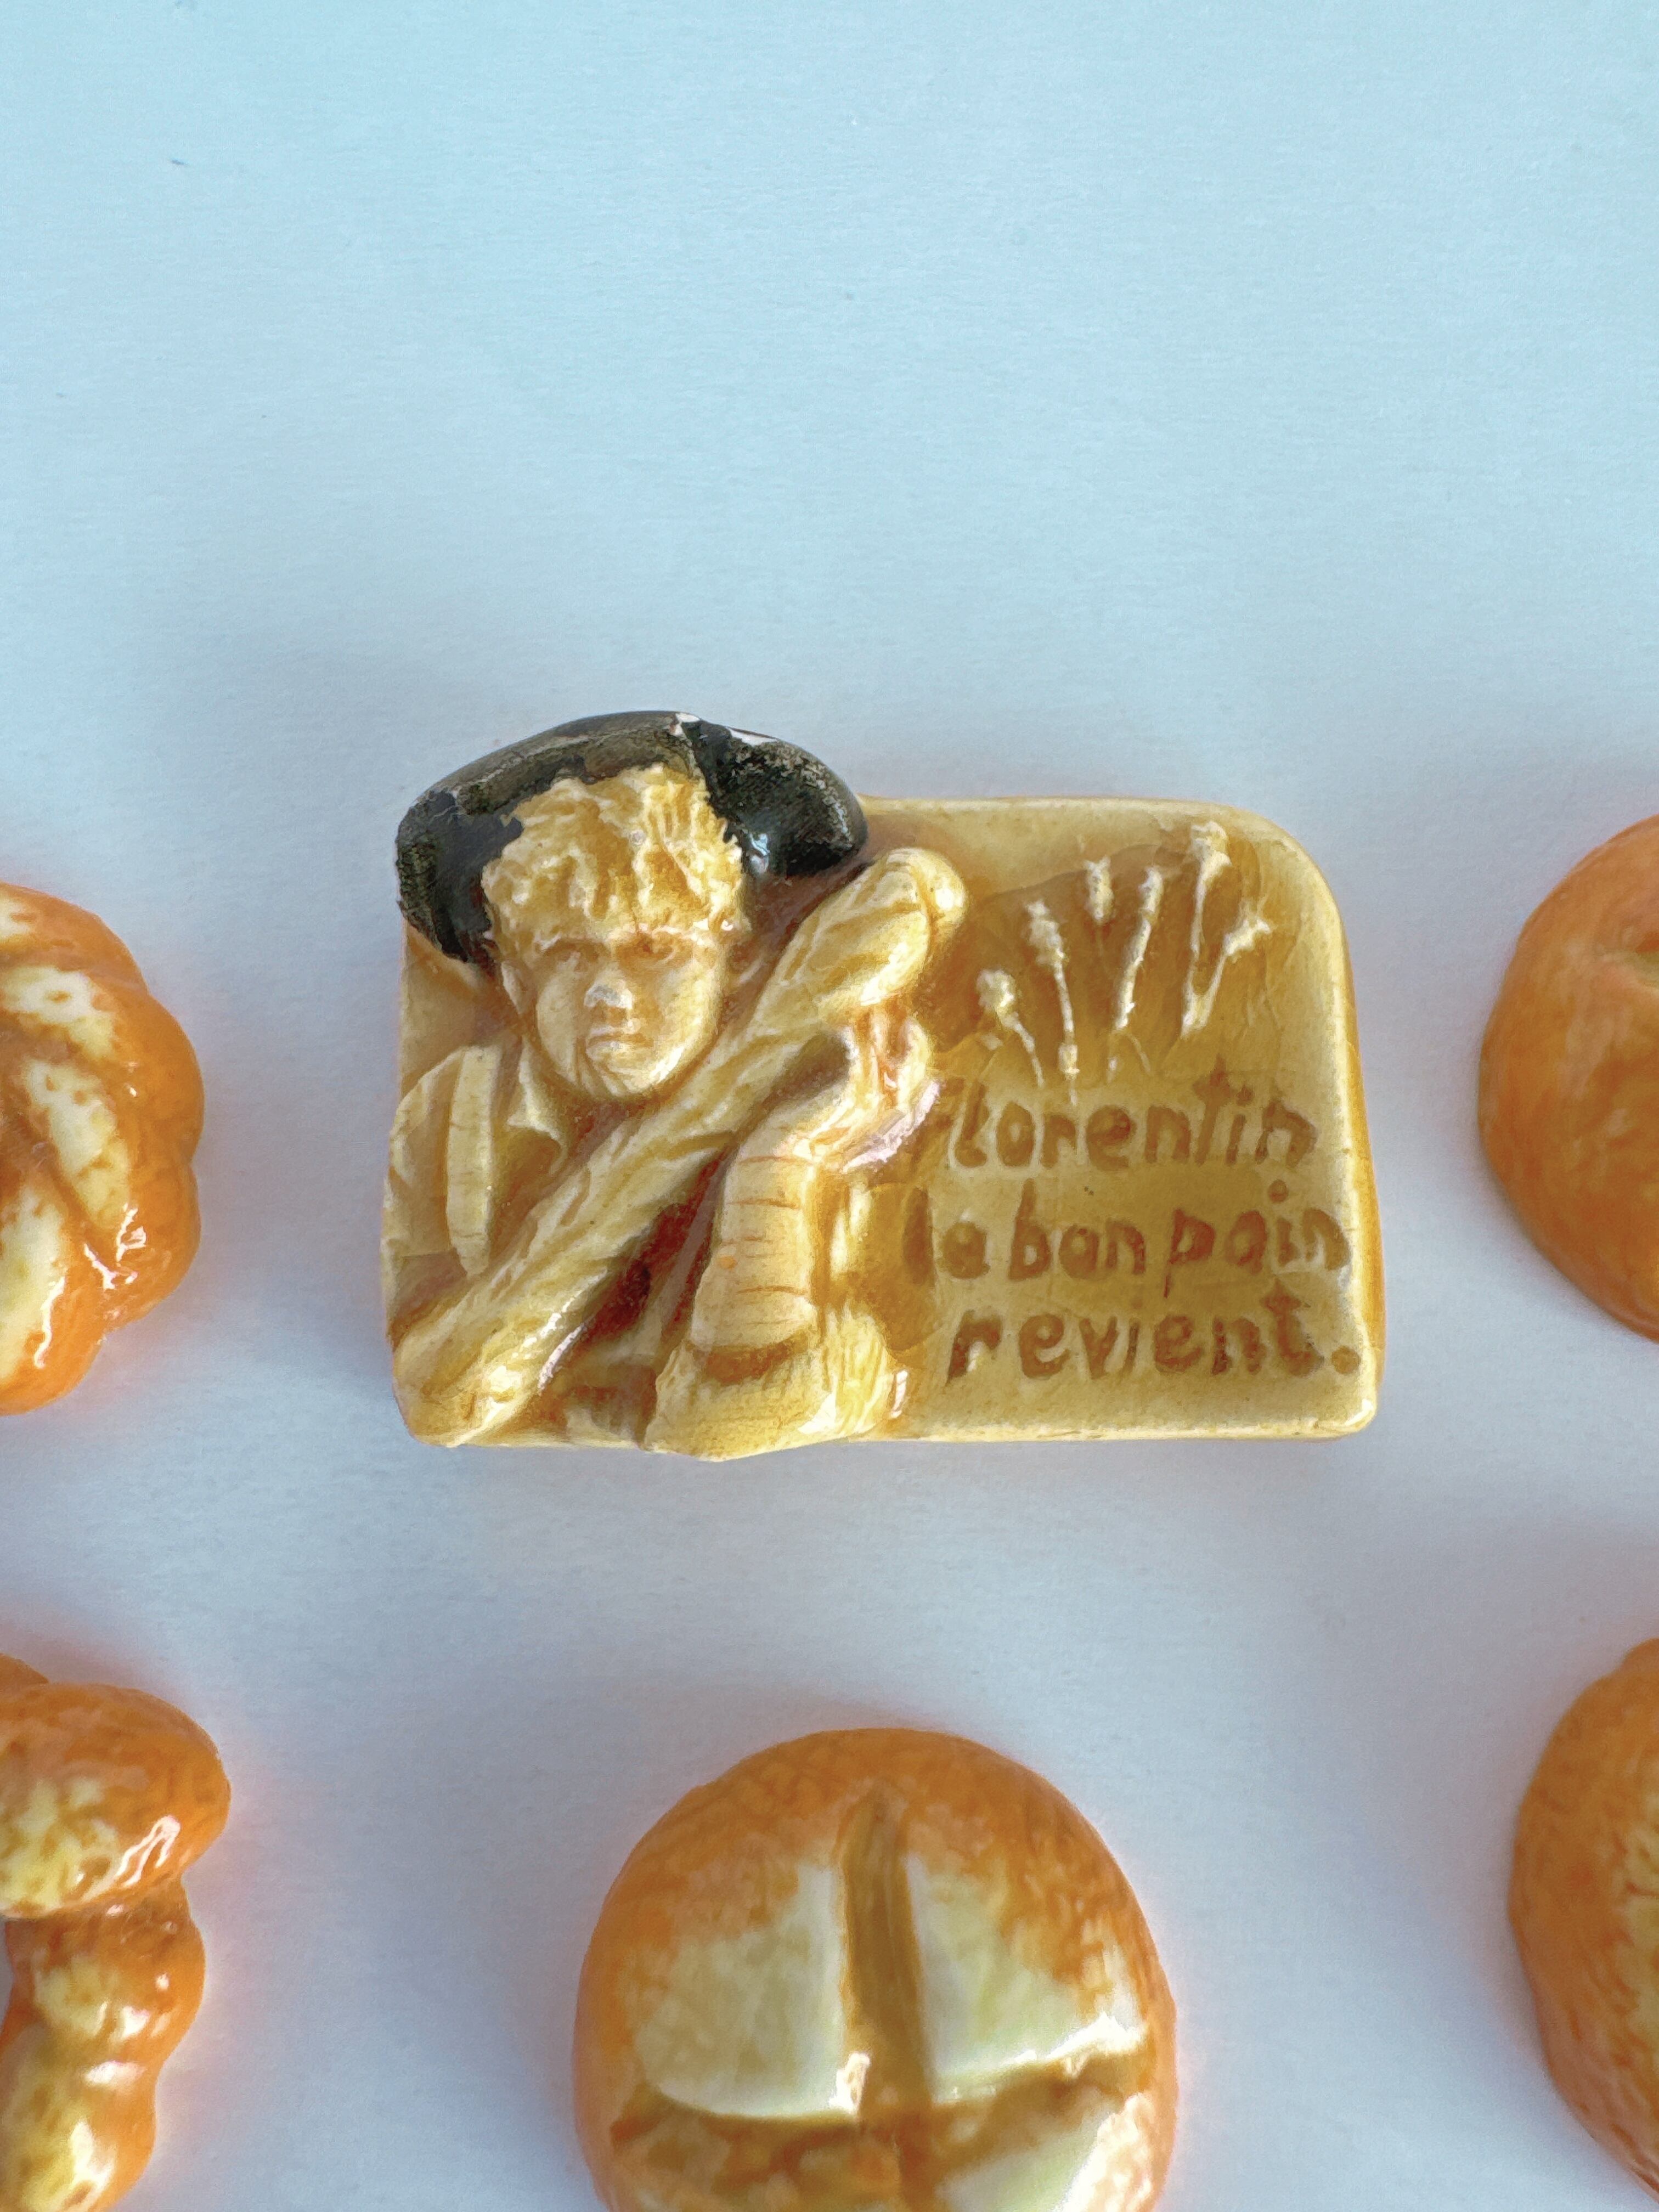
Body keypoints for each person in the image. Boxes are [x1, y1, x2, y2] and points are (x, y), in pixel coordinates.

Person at [385, 718, 962, 1452]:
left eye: (656, 949)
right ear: (519, 984)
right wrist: (734, 1080)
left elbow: (736, 1414)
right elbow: (440, 1401)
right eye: (569, 954)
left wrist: (776, 1174)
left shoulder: (843, 1086)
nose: (608, 994)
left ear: (738, 961)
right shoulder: (453, 1116)